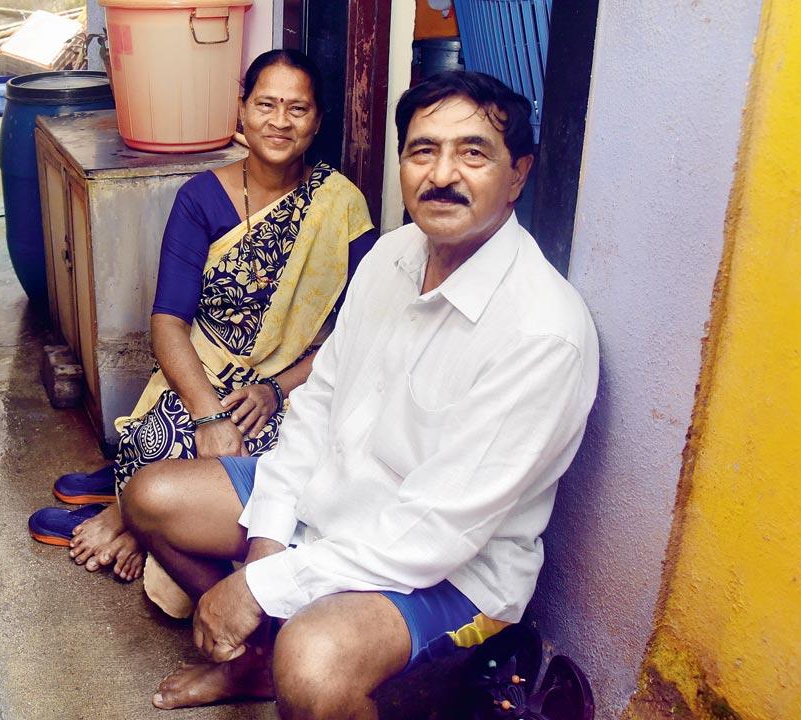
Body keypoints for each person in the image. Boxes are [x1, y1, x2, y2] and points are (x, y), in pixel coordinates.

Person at [118, 70, 600, 715]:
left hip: (451, 570)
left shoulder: (542, 333)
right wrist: (270, 527)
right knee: (151, 495)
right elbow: (318, 406)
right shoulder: (394, 254)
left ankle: (285, 656)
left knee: (313, 663)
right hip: (336, 504)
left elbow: (435, 531)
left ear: (518, 174)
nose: (442, 174)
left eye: (473, 152)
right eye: (423, 150)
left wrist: (264, 586)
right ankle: (255, 664)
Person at [28, 49, 376, 585]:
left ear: (318, 120)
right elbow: (168, 320)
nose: (279, 122)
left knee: (278, 463)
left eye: (297, 109)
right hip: (207, 374)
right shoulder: (200, 198)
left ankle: (133, 520)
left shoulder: (343, 206)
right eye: (265, 104)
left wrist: (274, 390)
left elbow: (355, 333)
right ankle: (142, 516)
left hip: (291, 389)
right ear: (241, 109)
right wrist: (208, 414)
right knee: (153, 444)